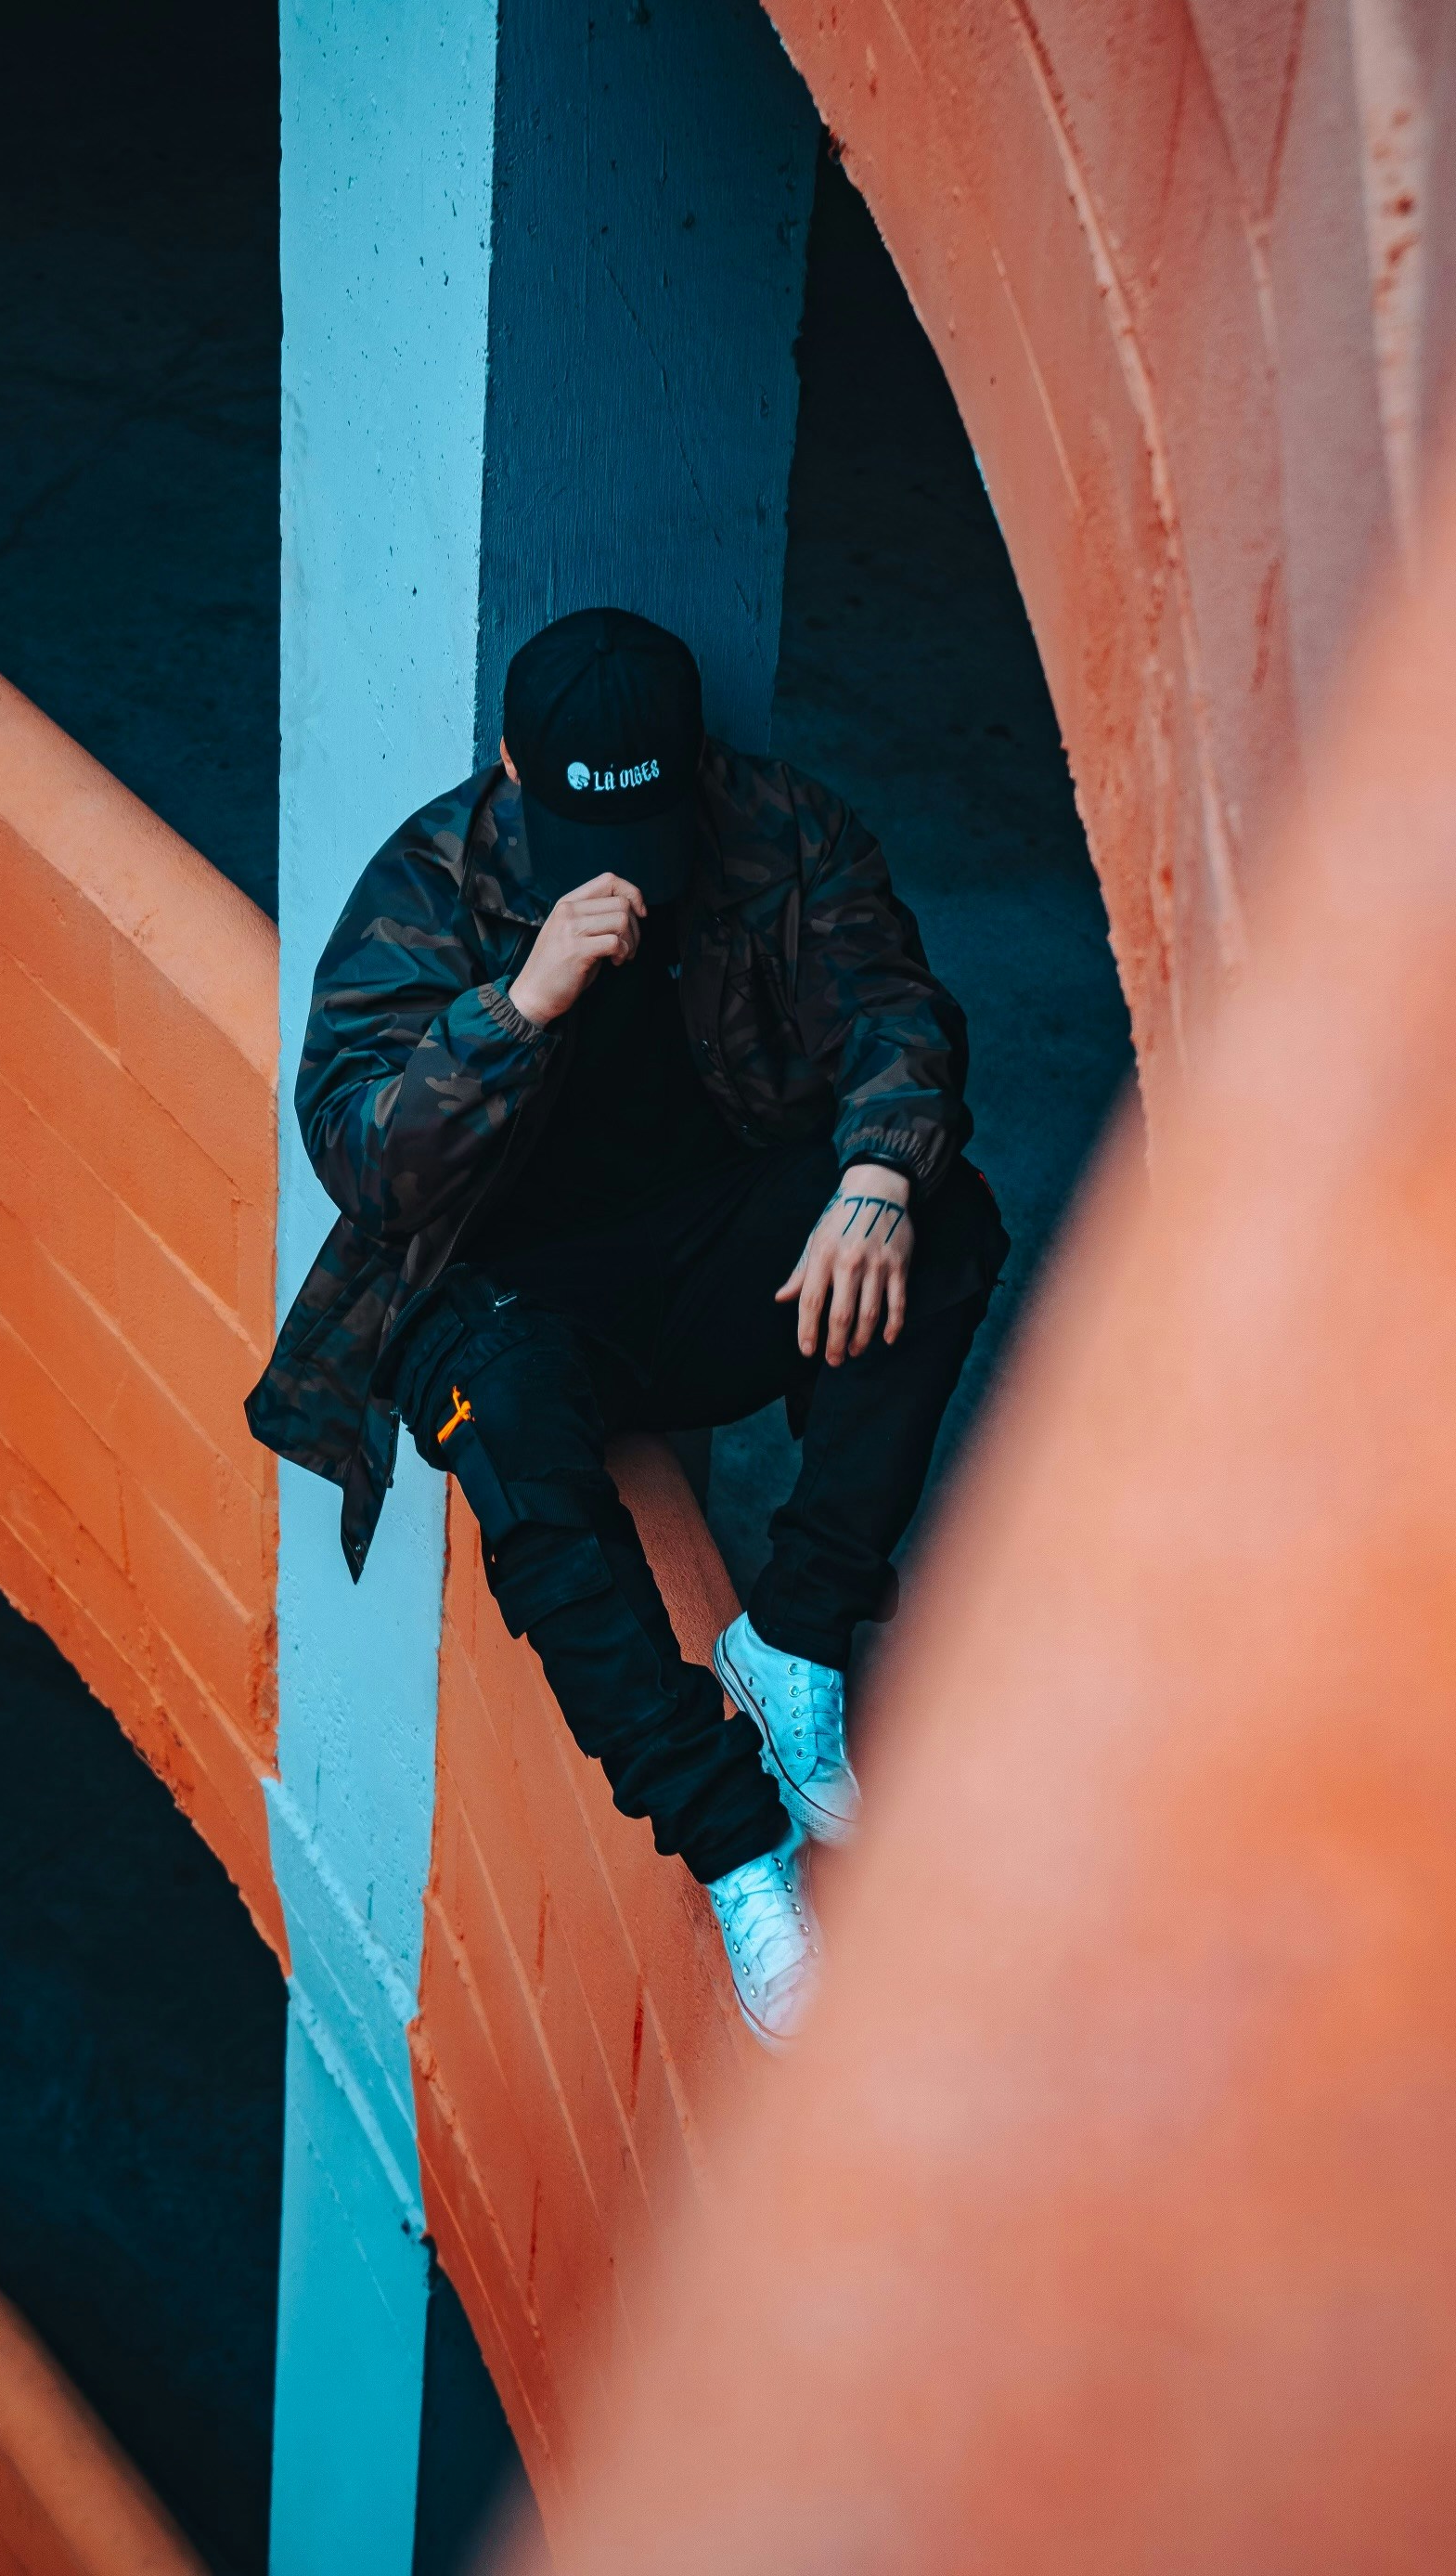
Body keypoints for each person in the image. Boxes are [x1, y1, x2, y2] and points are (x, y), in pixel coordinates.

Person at [246, 607, 1007, 2047]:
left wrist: (874, 1173)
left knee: (945, 1220)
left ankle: (794, 1640)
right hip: (494, 1296)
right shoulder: (431, 883)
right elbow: (364, 1162)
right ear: (515, 770)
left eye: (651, 831)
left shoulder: (771, 828)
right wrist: (516, 1007)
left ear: (694, 775)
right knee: (522, 1468)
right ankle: (734, 1847)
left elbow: (898, 1012)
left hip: (710, 1260)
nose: (624, 876)